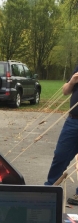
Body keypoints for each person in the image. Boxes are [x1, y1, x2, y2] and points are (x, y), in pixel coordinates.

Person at [45, 67, 78, 204]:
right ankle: (50, 188)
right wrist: (72, 82)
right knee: (60, 155)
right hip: (73, 121)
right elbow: (65, 91)